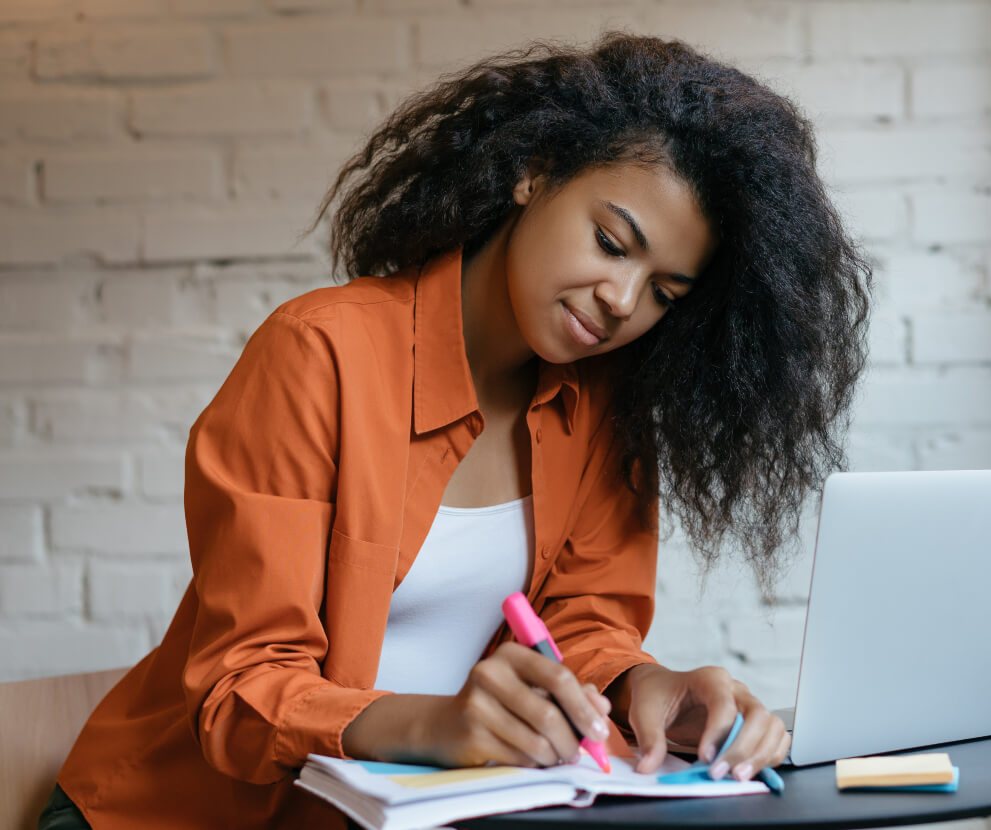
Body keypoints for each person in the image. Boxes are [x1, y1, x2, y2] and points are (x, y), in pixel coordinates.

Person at [43, 33, 871, 829]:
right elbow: (240, 689)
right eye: (612, 243)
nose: (623, 300)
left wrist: (644, 684)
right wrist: (436, 726)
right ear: (533, 174)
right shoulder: (318, 355)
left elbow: (581, 624)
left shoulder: (603, 405)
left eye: (665, 292)